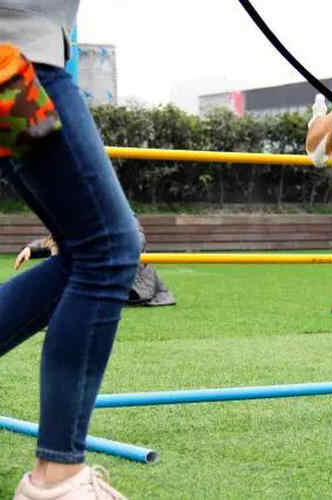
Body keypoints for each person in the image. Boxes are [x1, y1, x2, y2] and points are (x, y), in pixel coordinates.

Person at [1, 2, 140, 498]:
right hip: (17, 55)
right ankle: (55, 481)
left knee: (92, 252)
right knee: (110, 250)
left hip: (19, 52)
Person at [15, 221, 176, 308]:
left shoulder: (118, 212)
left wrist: (104, 249)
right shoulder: (82, 213)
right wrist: (32, 248)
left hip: (129, 282)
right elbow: (60, 240)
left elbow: (134, 241)